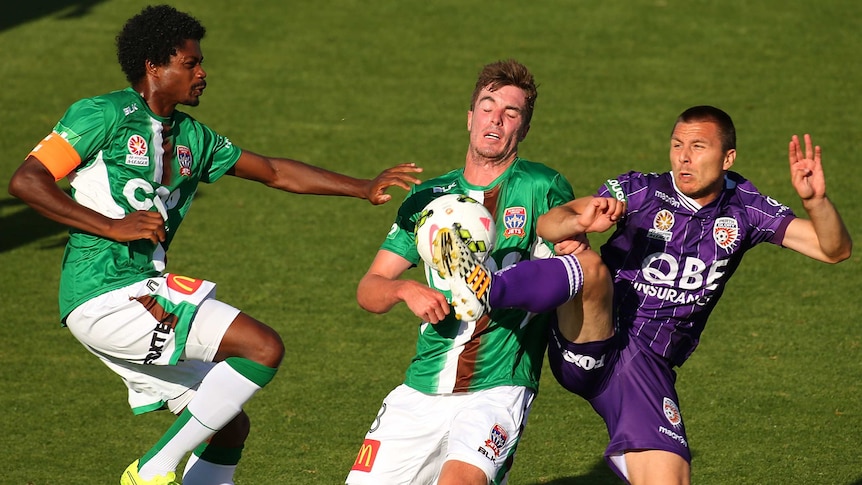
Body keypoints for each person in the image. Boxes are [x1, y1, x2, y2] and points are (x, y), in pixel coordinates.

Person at [7, 5, 422, 485]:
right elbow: (27, 180)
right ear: (153, 67)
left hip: (137, 291)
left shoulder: (193, 138)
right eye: (190, 64)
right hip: (105, 290)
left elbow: (274, 171)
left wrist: (362, 186)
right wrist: (112, 226)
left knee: (227, 425)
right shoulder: (102, 114)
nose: (202, 74)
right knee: (262, 348)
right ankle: (152, 470)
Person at [441, 105, 852, 484]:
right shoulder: (639, 190)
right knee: (590, 266)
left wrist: (816, 201)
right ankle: (489, 287)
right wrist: (577, 219)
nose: (683, 158)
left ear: (728, 158)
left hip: (645, 372)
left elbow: (834, 249)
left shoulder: (745, 208)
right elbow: (550, 224)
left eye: (697, 147)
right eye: (677, 146)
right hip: (593, 335)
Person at [345, 59, 592, 485]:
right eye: (487, 106)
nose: (496, 119)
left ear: (524, 129)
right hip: (422, 386)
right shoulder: (429, 198)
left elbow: (574, 274)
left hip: (497, 387)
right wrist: (406, 290)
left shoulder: (542, 186)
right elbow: (370, 289)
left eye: (510, 113)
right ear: (470, 117)